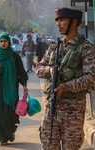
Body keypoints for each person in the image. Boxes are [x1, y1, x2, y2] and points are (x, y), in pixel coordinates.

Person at [36, 7, 95, 150]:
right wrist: (49, 71)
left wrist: (66, 87)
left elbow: (91, 77)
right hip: (52, 109)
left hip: (73, 111)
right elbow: (39, 68)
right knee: (48, 145)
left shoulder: (86, 48)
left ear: (74, 22)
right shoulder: (54, 47)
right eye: (57, 20)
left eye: (62, 20)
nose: (58, 24)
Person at [0, 33, 28, 146]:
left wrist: (24, 84)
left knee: (10, 113)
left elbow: (21, 72)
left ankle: (11, 130)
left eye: (5, 41)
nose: (3, 43)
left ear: (9, 42)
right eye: (1, 41)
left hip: (12, 88)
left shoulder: (14, 56)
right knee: (0, 113)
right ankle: (3, 137)